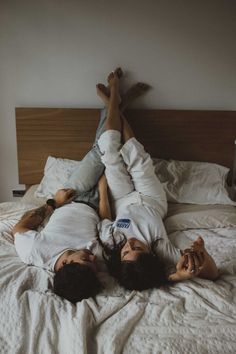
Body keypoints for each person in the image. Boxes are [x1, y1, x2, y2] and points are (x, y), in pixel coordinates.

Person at [11, 68, 151, 303]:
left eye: (85, 259)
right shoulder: (95, 263)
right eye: (94, 265)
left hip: (70, 195)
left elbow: (19, 228)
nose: (92, 258)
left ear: (63, 263)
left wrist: (53, 203)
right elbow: (104, 222)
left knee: (102, 150)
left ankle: (114, 99)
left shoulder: (35, 253)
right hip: (100, 203)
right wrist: (104, 189)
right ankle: (115, 104)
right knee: (116, 155)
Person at [96, 70, 219, 291]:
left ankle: (112, 99)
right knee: (137, 156)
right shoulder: (163, 250)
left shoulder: (111, 243)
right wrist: (182, 274)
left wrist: (102, 189)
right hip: (152, 200)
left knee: (109, 154)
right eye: (138, 249)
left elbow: (104, 216)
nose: (130, 243)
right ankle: (113, 98)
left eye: (126, 251)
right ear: (151, 254)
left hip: (121, 199)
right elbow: (213, 274)